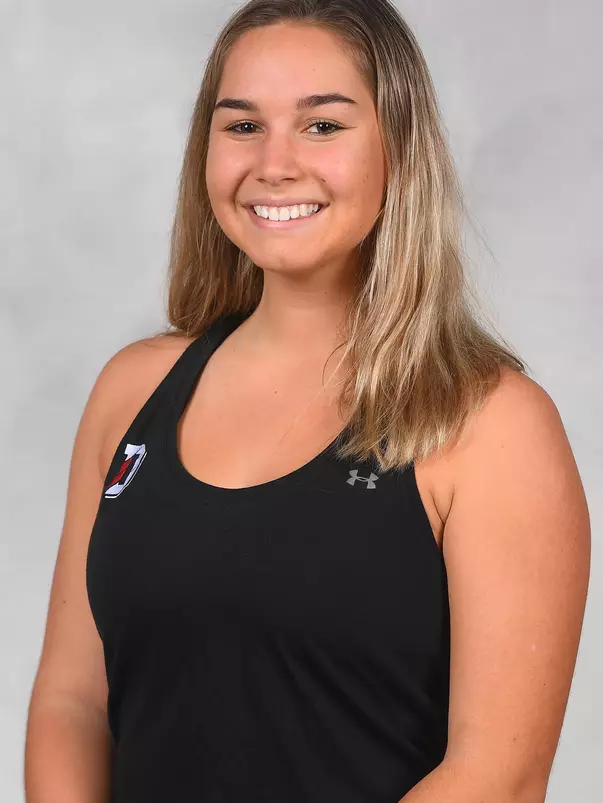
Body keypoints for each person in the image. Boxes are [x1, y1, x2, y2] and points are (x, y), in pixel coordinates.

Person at [24, 1, 590, 801]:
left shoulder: (491, 423)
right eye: (242, 125)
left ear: (398, 148)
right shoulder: (133, 390)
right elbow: (73, 700)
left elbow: (497, 776)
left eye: (322, 126)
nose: (274, 163)